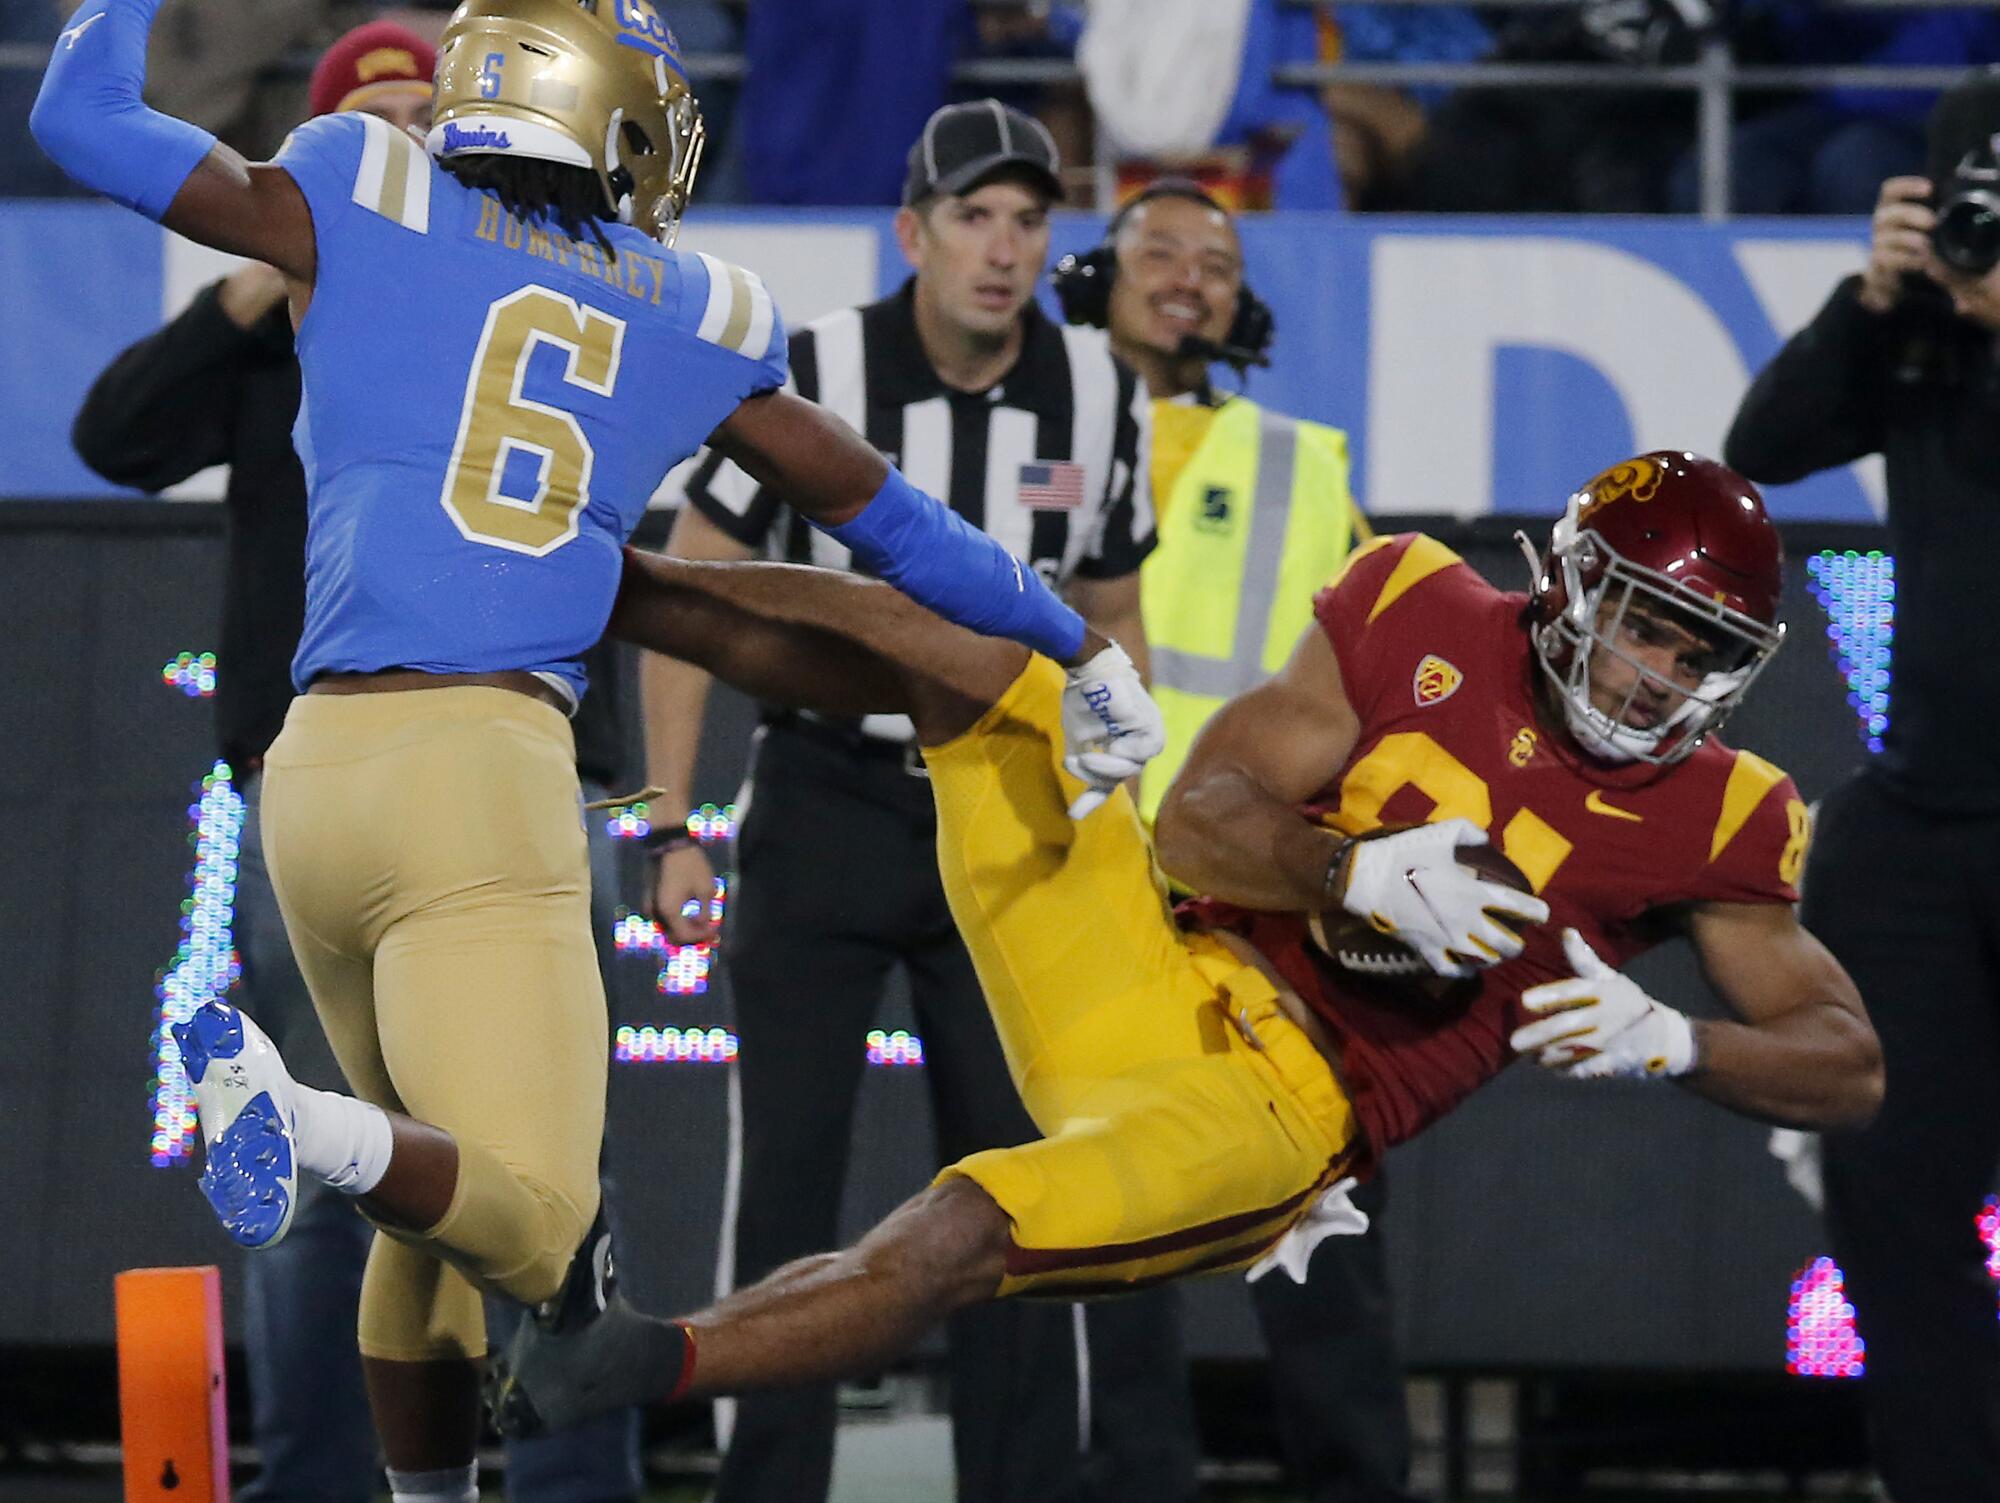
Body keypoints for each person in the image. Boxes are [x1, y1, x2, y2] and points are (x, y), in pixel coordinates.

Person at [31, 3, 1160, 1498]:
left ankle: (422, 1481)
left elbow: (82, 124)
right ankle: (301, 1120)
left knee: (421, 1233)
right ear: (610, 113)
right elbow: (894, 524)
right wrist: (1073, 643)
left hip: (311, 775)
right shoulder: (685, 301)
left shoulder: (365, 186)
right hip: (485, 773)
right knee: (547, 1224)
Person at [490, 449, 1884, 1438]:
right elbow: (1200, 822)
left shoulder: (1722, 813)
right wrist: (1352, 872)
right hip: (1152, 958)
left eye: (1702, 654)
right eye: (1648, 625)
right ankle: (603, 585)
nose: (1661, 677)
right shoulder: (1417, 602)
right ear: (1578, 582)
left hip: (1276, 1112)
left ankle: (634, 1362)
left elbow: (1850, 1066)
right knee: (993, 657)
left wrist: (1674, 1039)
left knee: (974, 1222)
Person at [67, 22, 649, 1501]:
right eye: (366, 126)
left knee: (551, 1161)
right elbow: (114, 438)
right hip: (317, 785)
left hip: (526, 773)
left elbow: (591, 558)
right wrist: (263, 279)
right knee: (335, 1188)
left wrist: (617, 781)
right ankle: (321, 1487)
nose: (396, 151)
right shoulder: (279, 323)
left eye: (420, 123)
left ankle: (575, 1489)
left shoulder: (499, 309)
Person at [643, 97, 1196, 1503]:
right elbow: (688, 587)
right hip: (828, 797)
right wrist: (663, 820)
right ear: (913, 233)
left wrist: (1122, 811)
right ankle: (764, 1490)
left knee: (1020, 1191)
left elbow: (1117, 617)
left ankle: (1021, 1488)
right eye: (974, 217)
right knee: (786, 1185)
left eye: (1027, 220)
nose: (1002, 249)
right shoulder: (814, 369)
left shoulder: (1100, 395)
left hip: (1008, 820)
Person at [1059, 178, 1415, 1503]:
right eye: (1159, 246)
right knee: (1108, 1223)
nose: (1190, 272)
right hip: (1090, 885)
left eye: (1216, 258)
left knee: (1319, 1222)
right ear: (1101, 273)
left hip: (1263, 898)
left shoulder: (1299, 463)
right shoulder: (1030, 429)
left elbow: (1382, 680)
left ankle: (1357, 1483)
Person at [1721, 70, 2000, 1503]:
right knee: (1892, 1203)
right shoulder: (1918, 341)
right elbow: (1758, 454)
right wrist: (1869, 303)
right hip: (1926, 822)